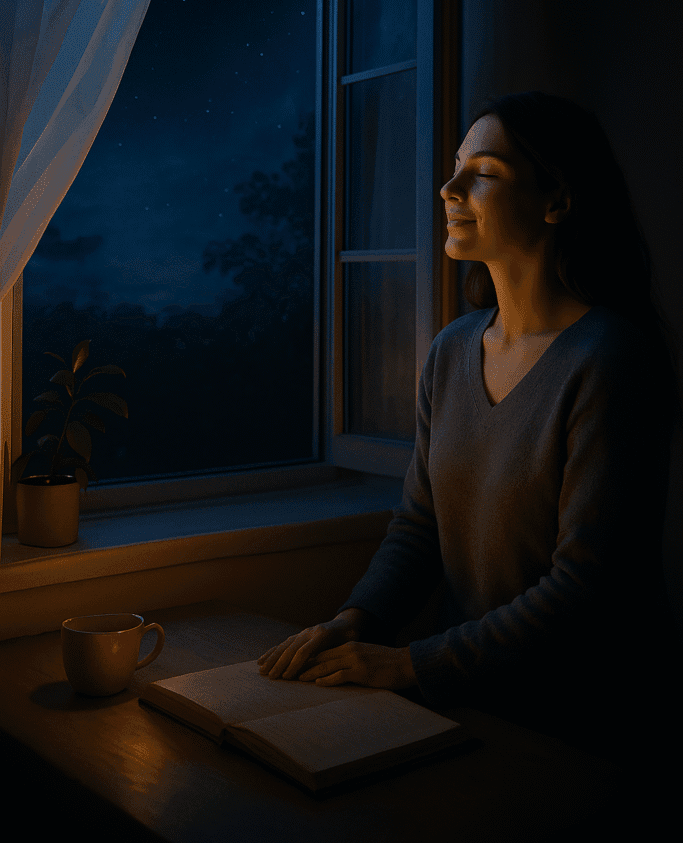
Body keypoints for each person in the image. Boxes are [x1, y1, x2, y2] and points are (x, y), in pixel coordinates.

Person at [257, 91, 681, 765]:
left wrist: (410, 665)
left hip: (585, 722)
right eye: (456, 168)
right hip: (467, 702)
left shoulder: (609, 359)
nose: (448, 189)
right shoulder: (451, 351)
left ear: (556, 200)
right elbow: (419, 527)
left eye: (482, 173)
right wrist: (356, 620)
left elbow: (586, 585)